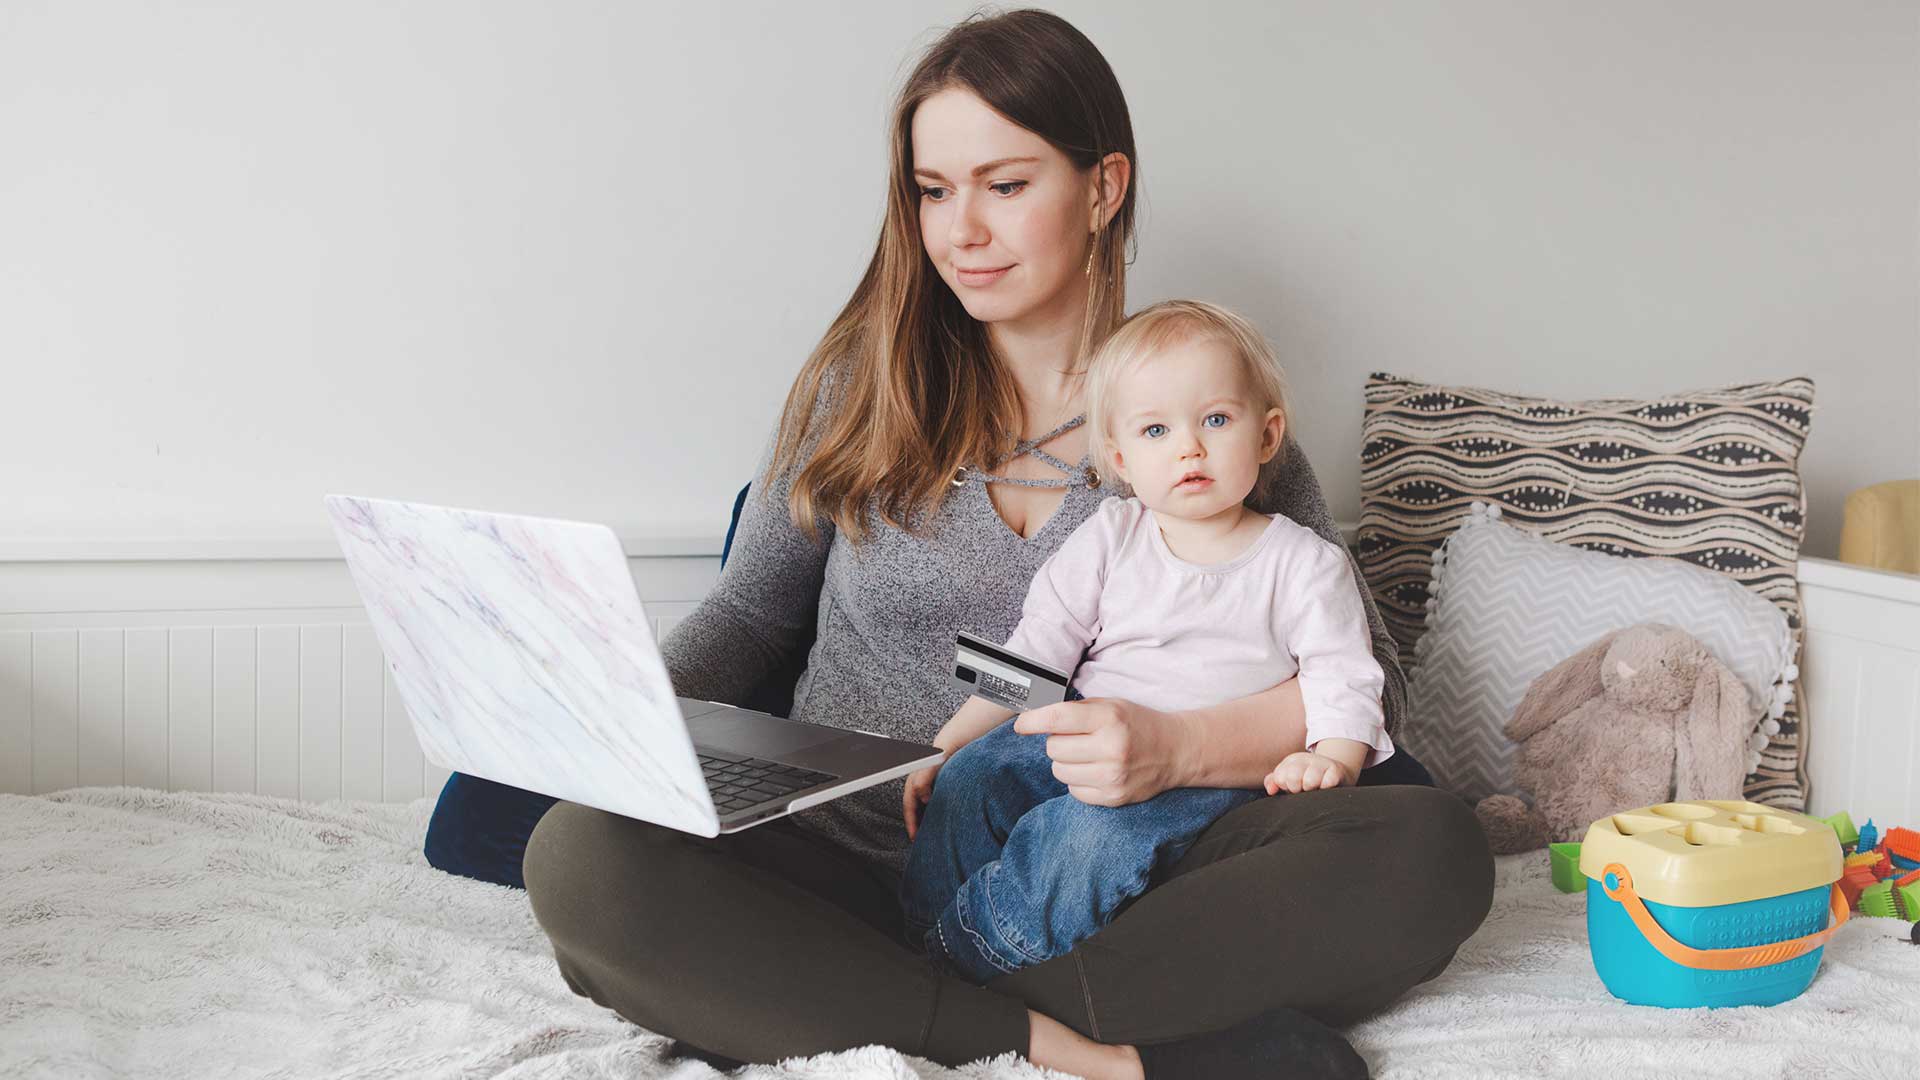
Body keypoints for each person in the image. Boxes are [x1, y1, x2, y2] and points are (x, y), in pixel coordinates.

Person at [521, 10, 1493, 1079]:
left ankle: (875, 1007)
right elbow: (751, 615)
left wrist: (1177, 750)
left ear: (1104, 187)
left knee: (1431, 847)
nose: (960, 231)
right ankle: (1102, 1054)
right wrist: (621, 717)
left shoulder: (1209, 432)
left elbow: (1369, 701)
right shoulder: (855, 395)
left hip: (1122, 875)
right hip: (850, 867)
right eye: (934, 191)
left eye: (1006, 184)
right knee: (581, 858)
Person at [899, 300, 1398, 990]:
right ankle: (915, 935)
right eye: (1157, 430)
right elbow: (1039, 647)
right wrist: (950, 740)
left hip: (1205, 776)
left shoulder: (1303, 561)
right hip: (1085, 729)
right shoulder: (1110, 534)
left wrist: (1334, 759)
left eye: (1216, 420)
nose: (1189, 447)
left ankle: (974, 959)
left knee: (1086, 841)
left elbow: (1343, 674)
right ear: (1121, 458)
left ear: (1267, 434)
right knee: (973, 780)